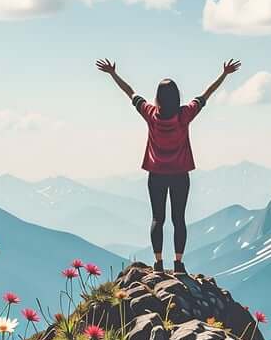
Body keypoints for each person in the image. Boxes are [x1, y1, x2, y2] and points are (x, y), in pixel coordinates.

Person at [96, 58, 241, 274]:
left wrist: (113, 74)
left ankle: (158, 263)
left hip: (156, 174)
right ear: (176, 97)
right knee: (178, 219)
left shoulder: (151, 114)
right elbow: (206, 95)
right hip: (180, 175)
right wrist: (225, 74)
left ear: (158, 97)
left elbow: (131, 93)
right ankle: (179, 263)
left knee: (157, 218)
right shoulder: (184, 115)